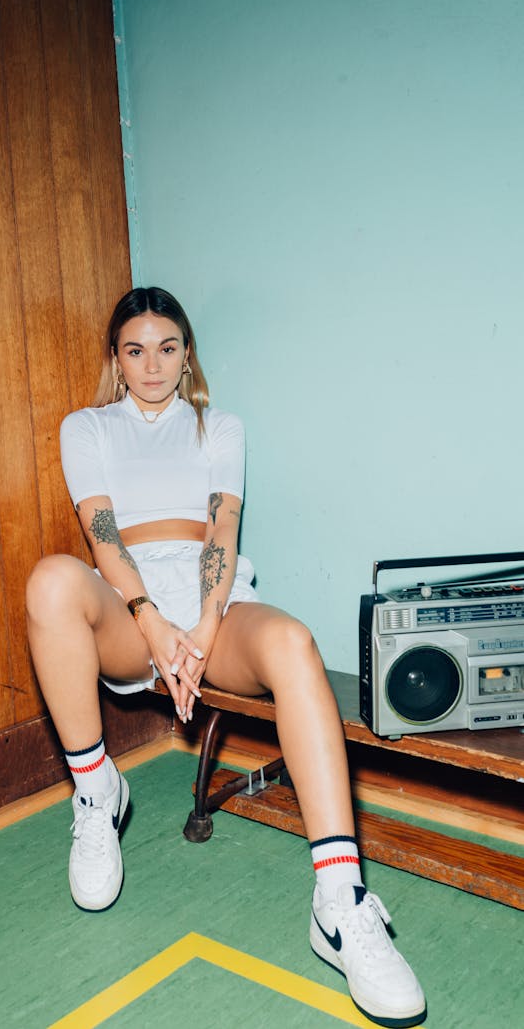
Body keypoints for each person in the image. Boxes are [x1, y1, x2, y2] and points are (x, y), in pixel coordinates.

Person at [25, 287, 426, 1028]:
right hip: (128, 601)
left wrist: (204, 627)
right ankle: (94, 792)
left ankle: (339, 901)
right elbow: (101, 532)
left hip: (210, 599)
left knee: (293, 640)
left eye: (168, 348)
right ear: (116, 358)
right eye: (135, 349)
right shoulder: (87, 426)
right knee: (51, 579)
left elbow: (223, 526)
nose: (152, 365)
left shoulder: (219, 424)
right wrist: (151, 621)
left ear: (187, 354)